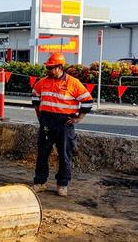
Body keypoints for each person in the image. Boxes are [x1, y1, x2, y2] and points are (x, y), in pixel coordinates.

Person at [31, 53, 93, 197]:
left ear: (59, 67)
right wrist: (40, 116)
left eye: (51, 68)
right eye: (47, 68)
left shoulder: (73, 83)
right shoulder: (42, 82)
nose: (48, 70)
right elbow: (35, 97)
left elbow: (87, 101)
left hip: (64, 124)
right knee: (42, 153)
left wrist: (78, 118)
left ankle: (62, 184)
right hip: (46, 122)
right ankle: (40, 182)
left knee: (64, 155)